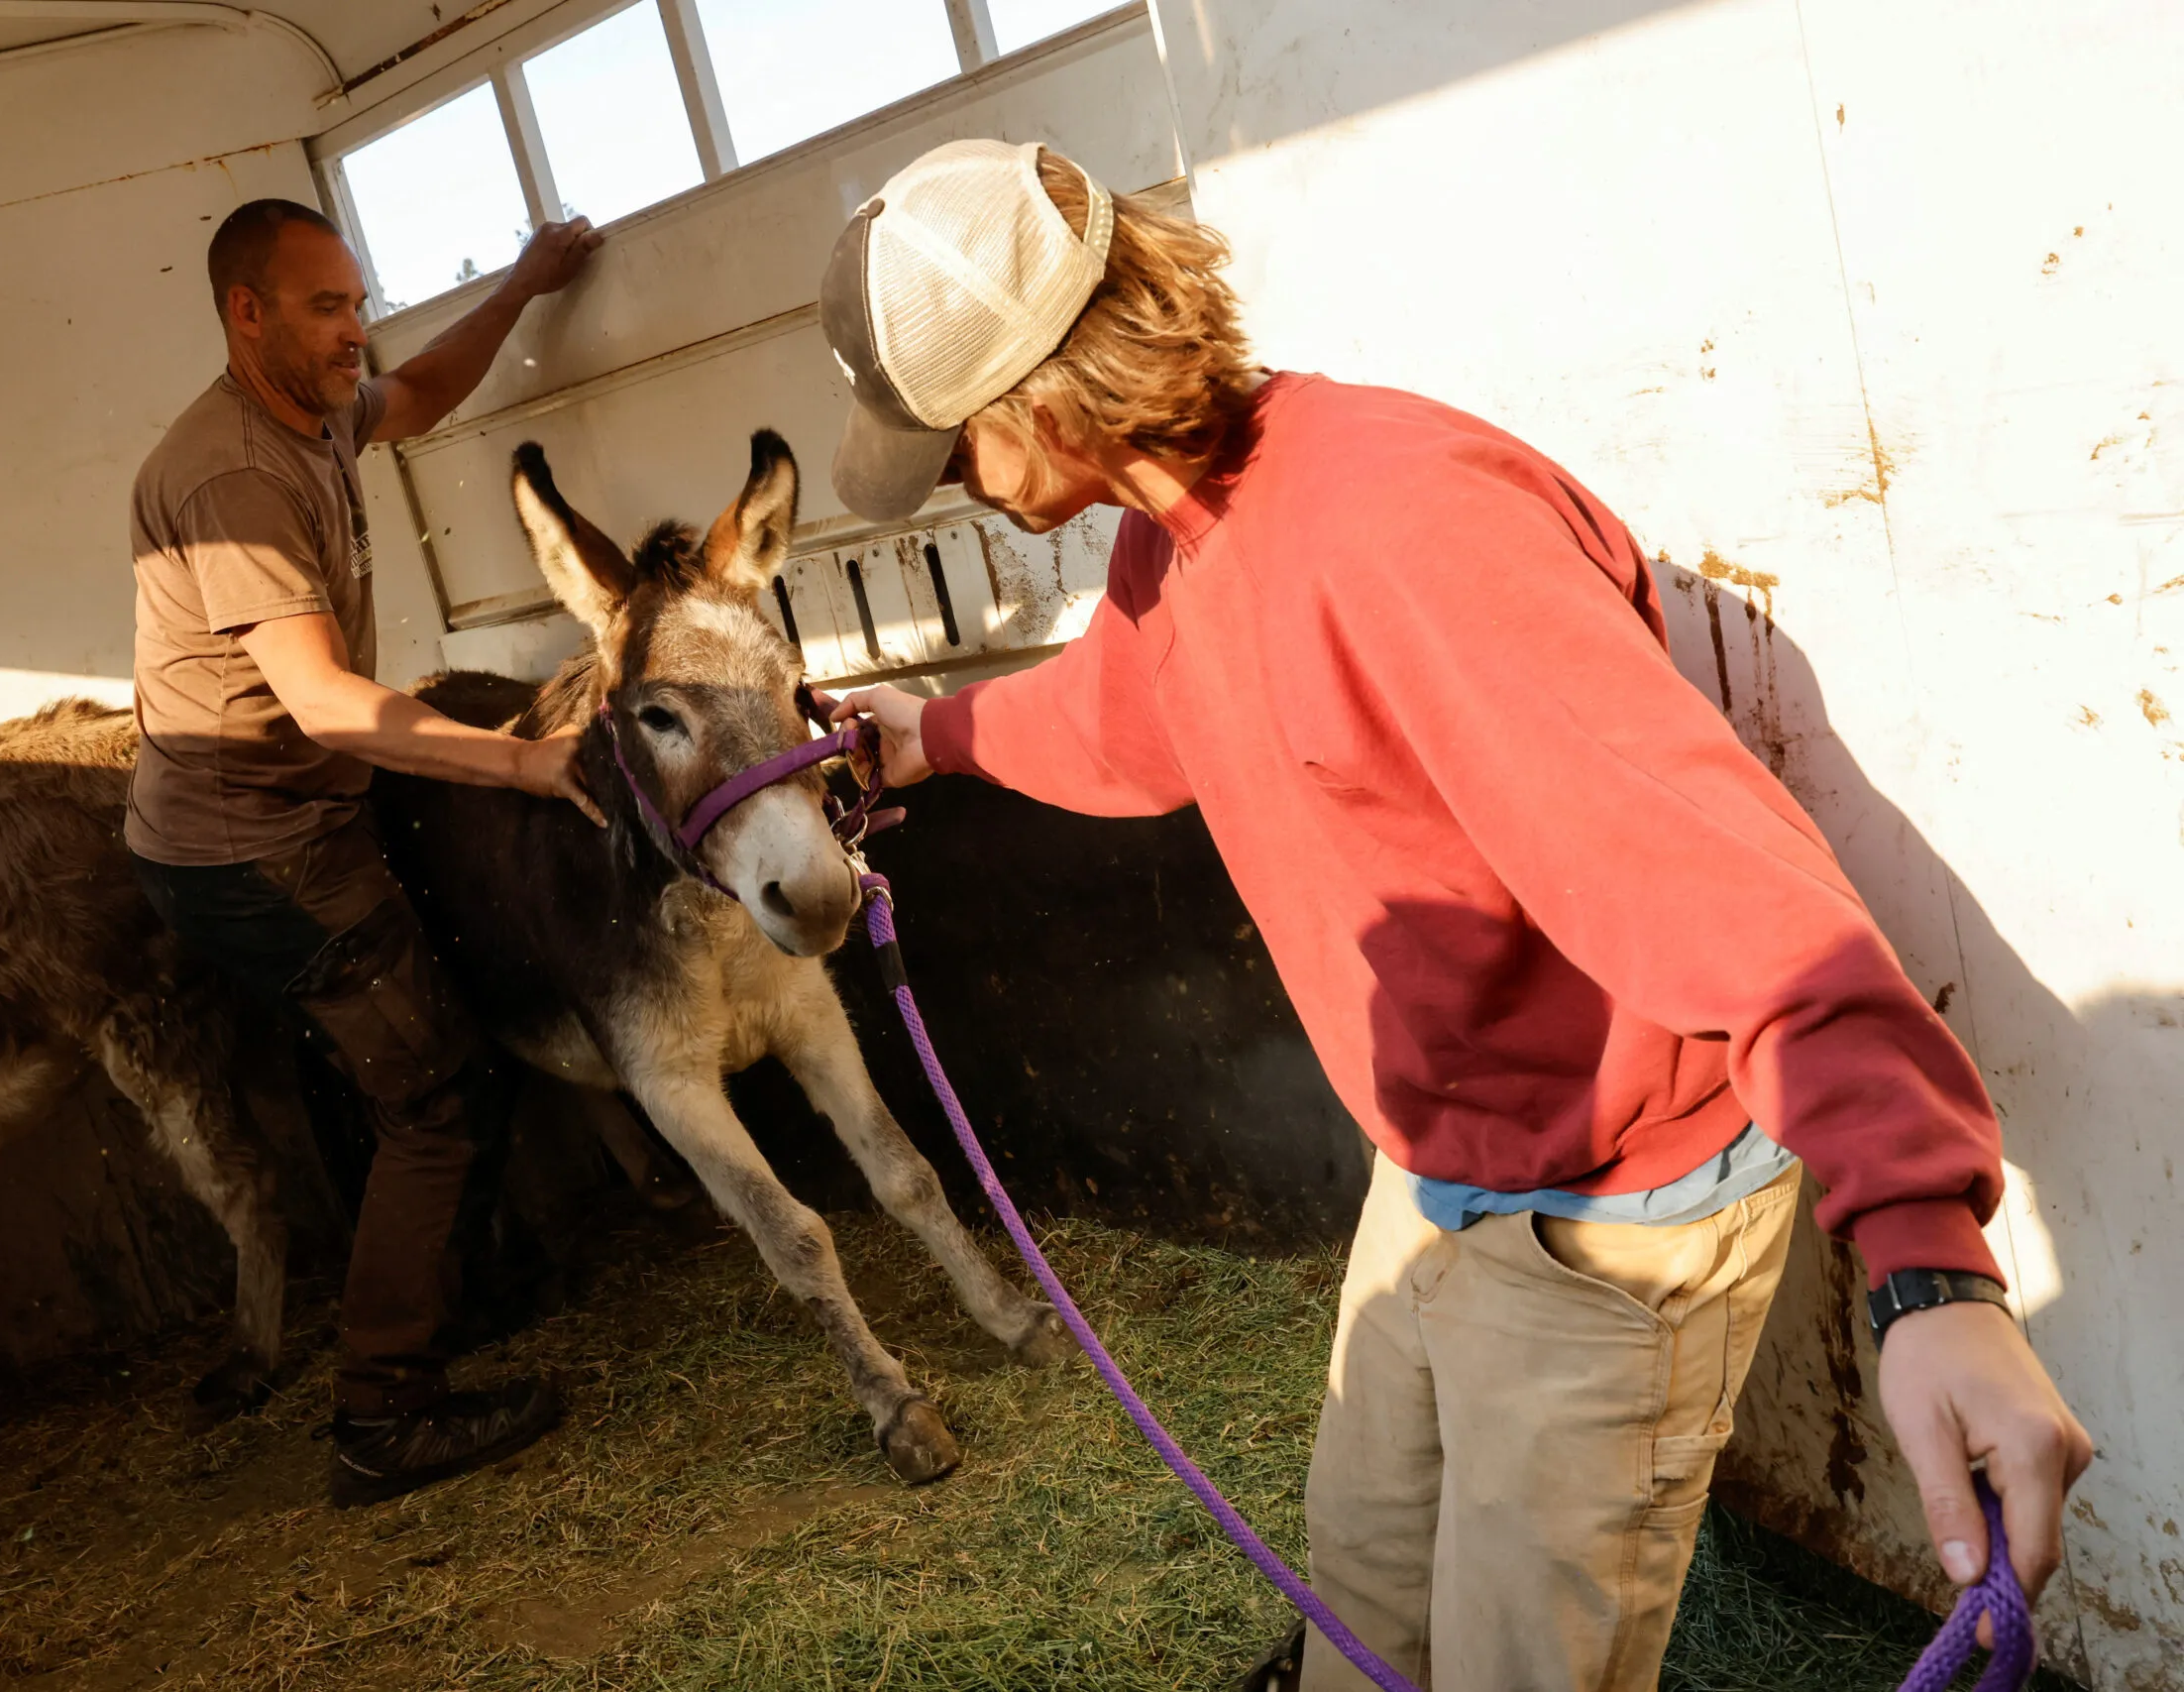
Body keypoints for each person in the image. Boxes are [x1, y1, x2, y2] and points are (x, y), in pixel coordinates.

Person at [825, 140, 2091, 1690]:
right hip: (1430, 1173)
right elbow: (1126, 715)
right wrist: (926, 737)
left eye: (946, 448)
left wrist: (1927, 1261)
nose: (948, 482)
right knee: (1358, 1602)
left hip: (1608, 1211)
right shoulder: (1172, 538)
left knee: (1512, 1662)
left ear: (1035, 403)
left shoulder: (1394, 524)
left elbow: (1724, 883)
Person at [125, 197, 605, 1509]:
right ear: (247, 313)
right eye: (327, 308)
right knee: (437, 1085)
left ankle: (450, 1292)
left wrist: (522, 283)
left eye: (357, 301)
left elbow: (427, 390)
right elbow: (328, 700)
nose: (356, 332)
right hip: (249, 842)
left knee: (381, 1054)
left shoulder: (321, 406)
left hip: (282, 809)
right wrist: (520, 760)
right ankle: (382, 1414)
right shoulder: (231, 475)